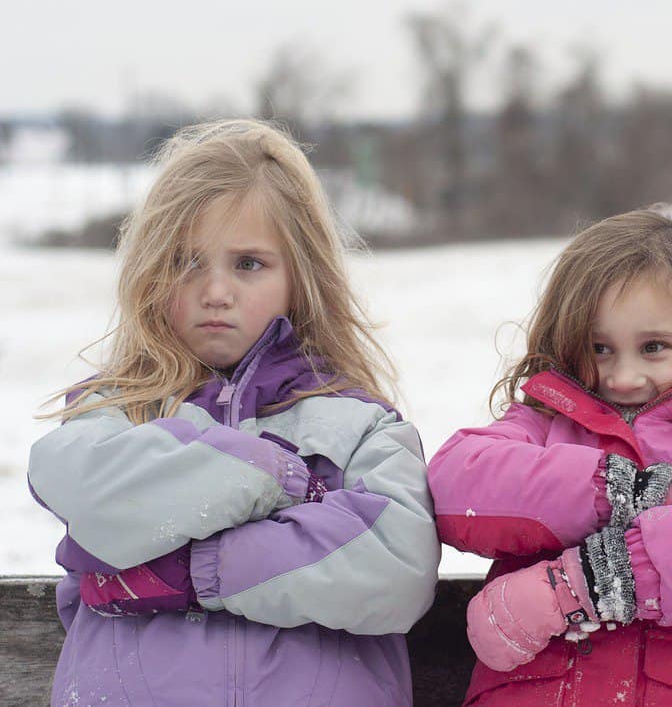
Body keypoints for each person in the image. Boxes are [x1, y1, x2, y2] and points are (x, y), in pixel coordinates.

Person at [27, 119, 439, 707]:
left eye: (248, 264)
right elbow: (86, 488)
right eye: (187, 262)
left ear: (301, 278)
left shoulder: (357, 424)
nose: (215, 290)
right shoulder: (115, 411)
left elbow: (395, 566)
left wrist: (194, 571)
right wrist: (276, 478)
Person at [429, 208, 672, 706]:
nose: (623, 378)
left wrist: (586, 583)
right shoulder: (545, 424)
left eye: (653, 347)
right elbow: (455, 482)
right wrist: (615, 491)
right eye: (599, 348)